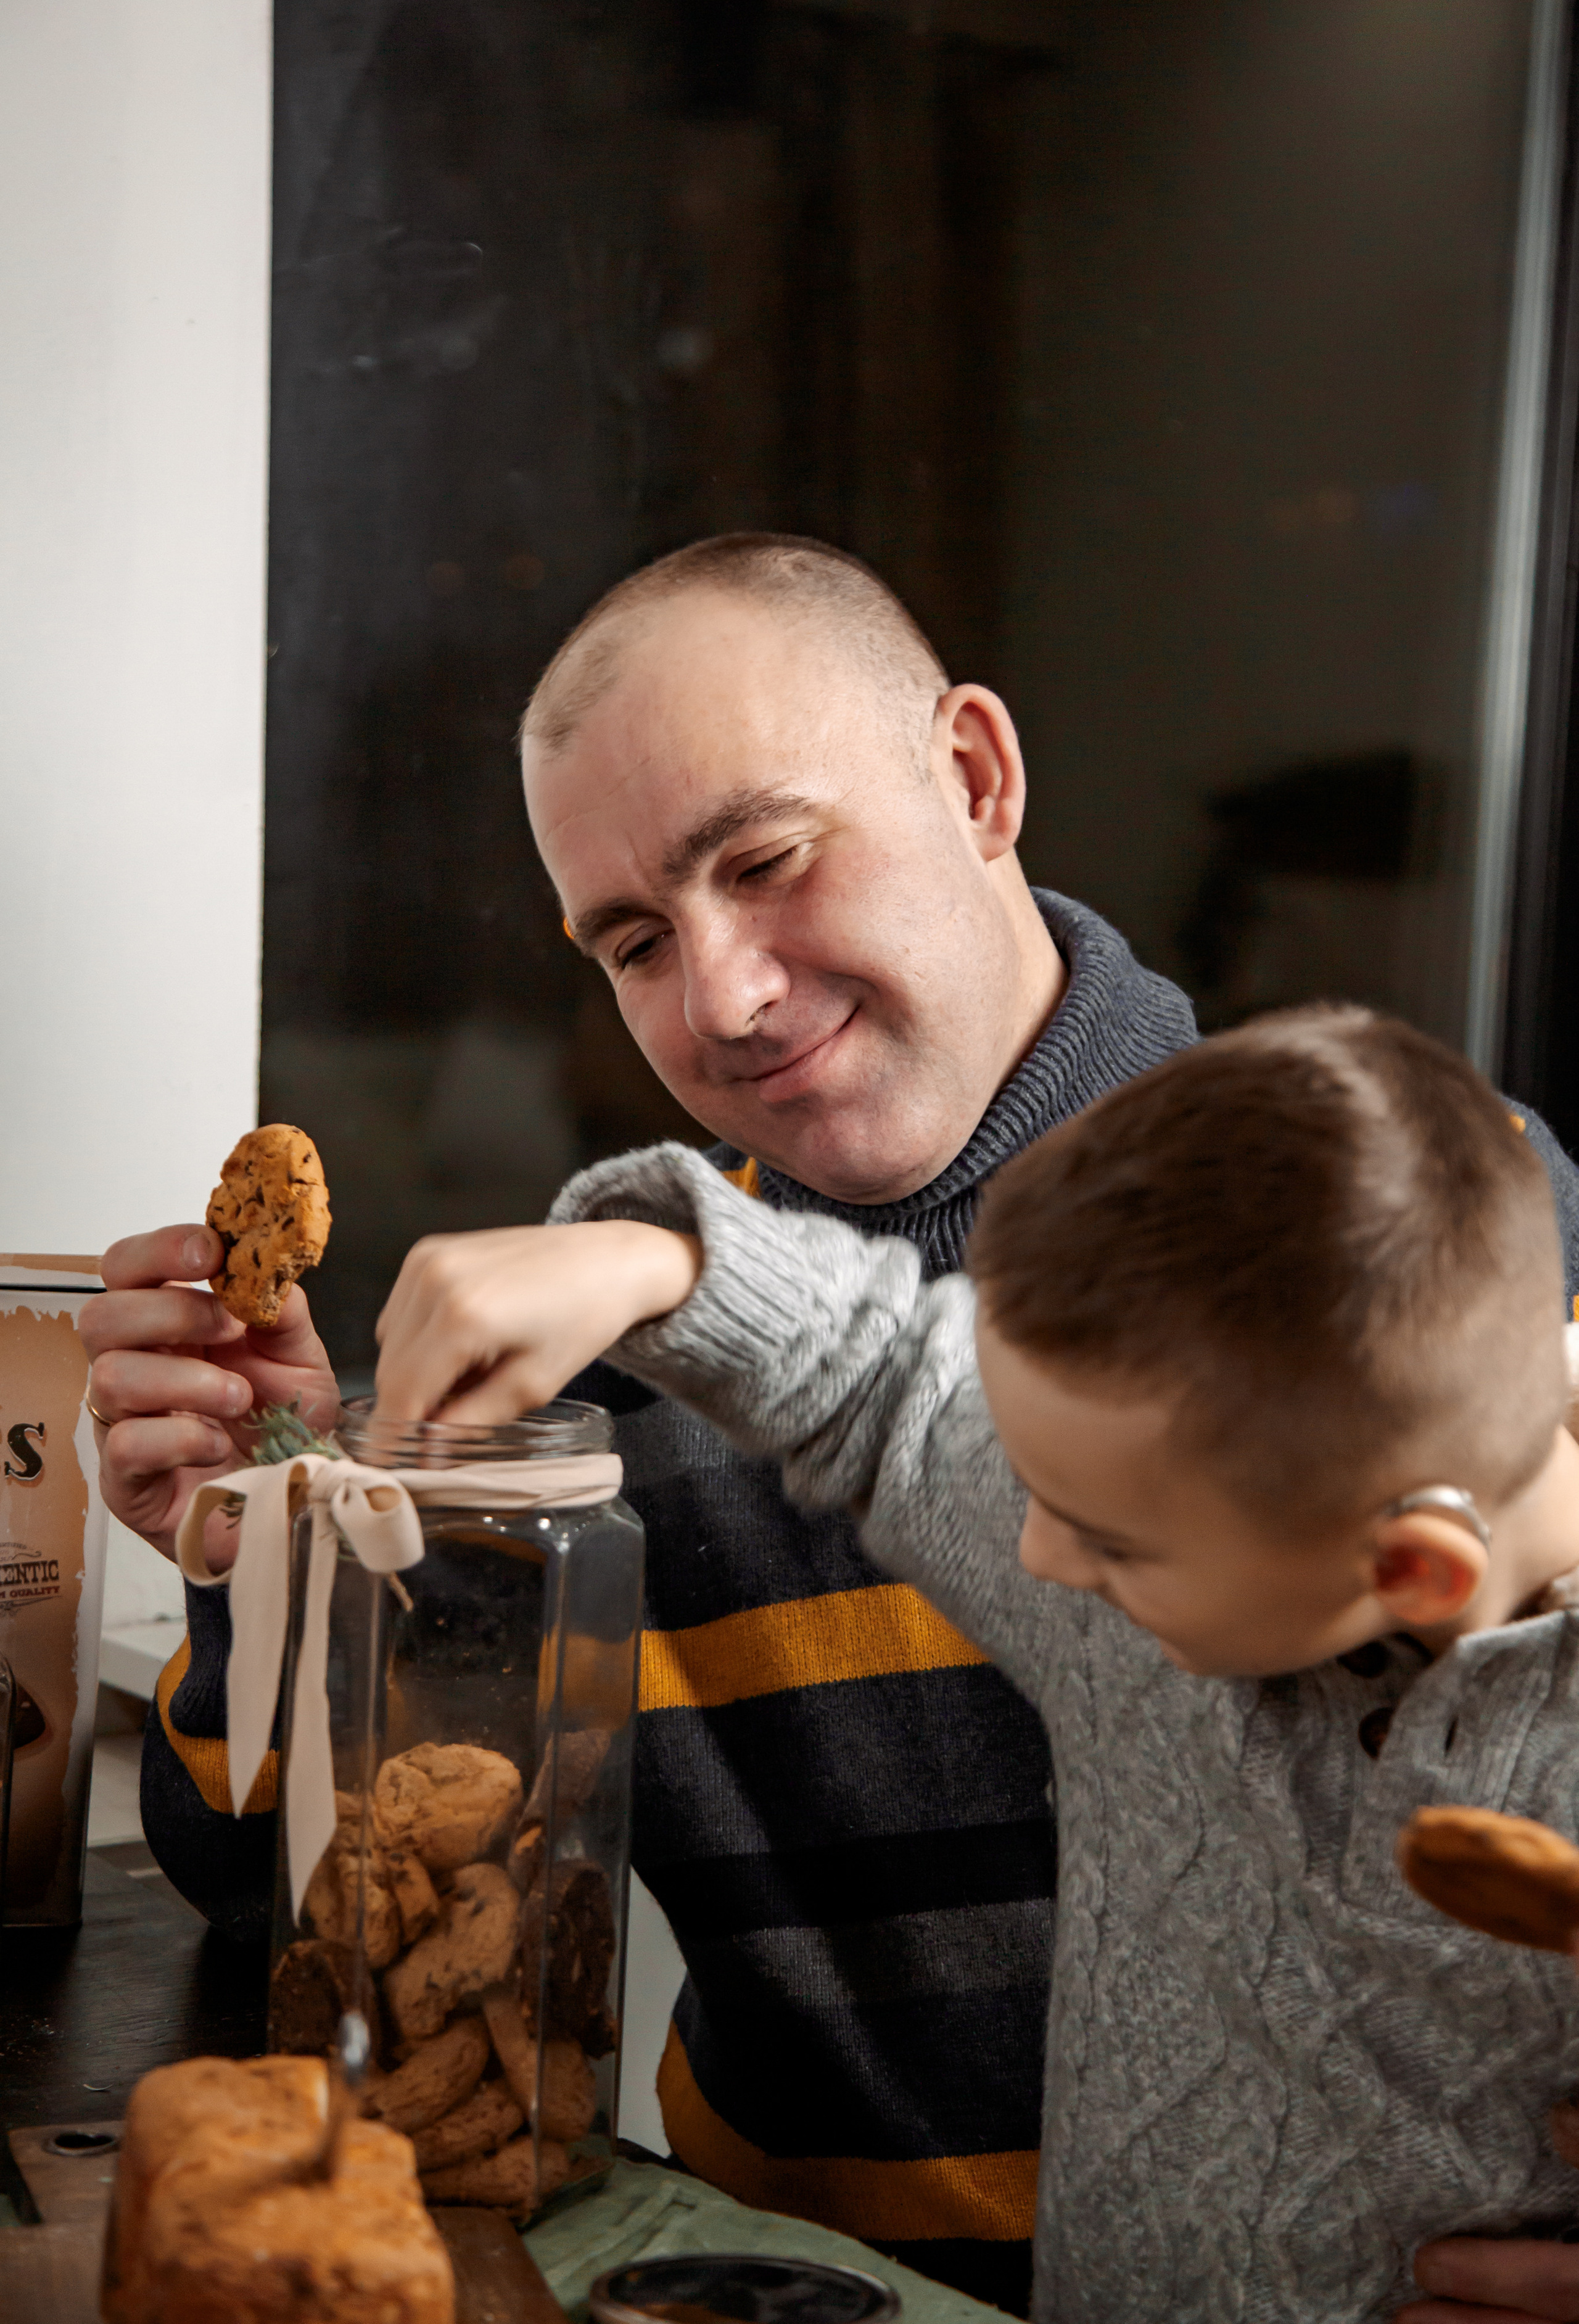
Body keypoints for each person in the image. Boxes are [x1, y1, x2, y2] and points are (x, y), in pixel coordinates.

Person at [82, 537, 1579, 2315]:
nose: (721, 995)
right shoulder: (604, 1359)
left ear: (973, 777)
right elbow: (334, 1932)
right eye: (634, 940)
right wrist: (298, 1539)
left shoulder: (1420, 1239)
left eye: (769, 860)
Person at [376, 1005, 1579, 2323]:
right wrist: (655, 1264)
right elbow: (888, 1379)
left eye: (1113, 1543)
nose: (1037, 1560)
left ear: (1405, 1571)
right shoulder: (1194, 1498)